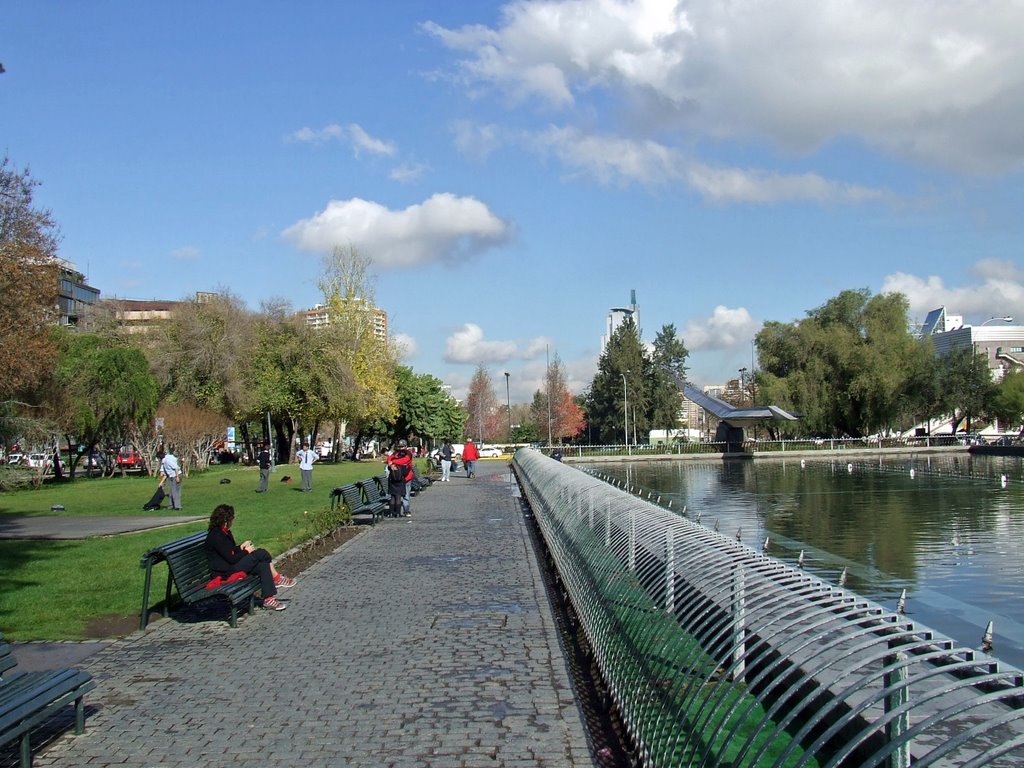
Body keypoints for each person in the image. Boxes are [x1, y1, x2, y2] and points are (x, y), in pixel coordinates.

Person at [204, 503, 295, 611]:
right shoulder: (216, 536)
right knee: (261, 553)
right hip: (225, 572)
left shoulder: (225, 532)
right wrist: (246, 552)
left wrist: (241, 548)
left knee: (262, 565)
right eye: (231, 519)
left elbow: (230, 550)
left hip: (231, 565)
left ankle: (268, 599)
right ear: (225, 521)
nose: (232, 522)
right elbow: (231, 559)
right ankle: (277, 578)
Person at [389, 439, 414, 516]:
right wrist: (391, 464)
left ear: (406, 446)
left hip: (406, 477)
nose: (401, 448)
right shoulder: (396, 453)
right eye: (399, 447)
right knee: (397, 495)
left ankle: (406, 510)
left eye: (402, 446)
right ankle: (395, 512)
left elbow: (405, 460)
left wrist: (393, 462)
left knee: (406, 495)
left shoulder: (408, 453)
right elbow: (389, 458)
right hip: (398, 478)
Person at [385, 451, 408, 519]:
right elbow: (405, 472)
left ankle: (391, 513)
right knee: (398, 497)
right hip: (400, 482)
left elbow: (388, 468)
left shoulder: (392, 462)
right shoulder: (402, 463)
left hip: (392, 481)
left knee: (392, 497)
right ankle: (398, 513)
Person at [160, 446, 183, 510]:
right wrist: (161, 482)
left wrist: (177, 477)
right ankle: (171, 505)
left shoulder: (167, 461)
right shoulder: (164, 462)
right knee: (171, 491)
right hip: (171, 476)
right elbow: (165, 474)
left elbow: (176, 468)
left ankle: (178, 506)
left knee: (175, 492)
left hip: (176, 475)